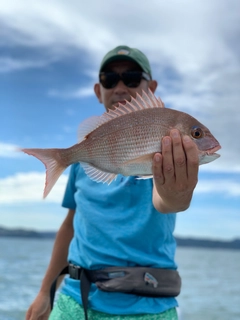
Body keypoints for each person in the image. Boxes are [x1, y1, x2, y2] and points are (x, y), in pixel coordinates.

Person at [26, 45, 199, 320]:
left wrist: (178, 191)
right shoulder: (84, 161)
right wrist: (45, 292)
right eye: (110, 79)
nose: (120, 87)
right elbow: (70, 225)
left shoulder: (165, 147)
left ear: (151, 88)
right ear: (99, 91)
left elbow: (167, 201)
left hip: (148, 305)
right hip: (74, 298)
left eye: (132, 78)